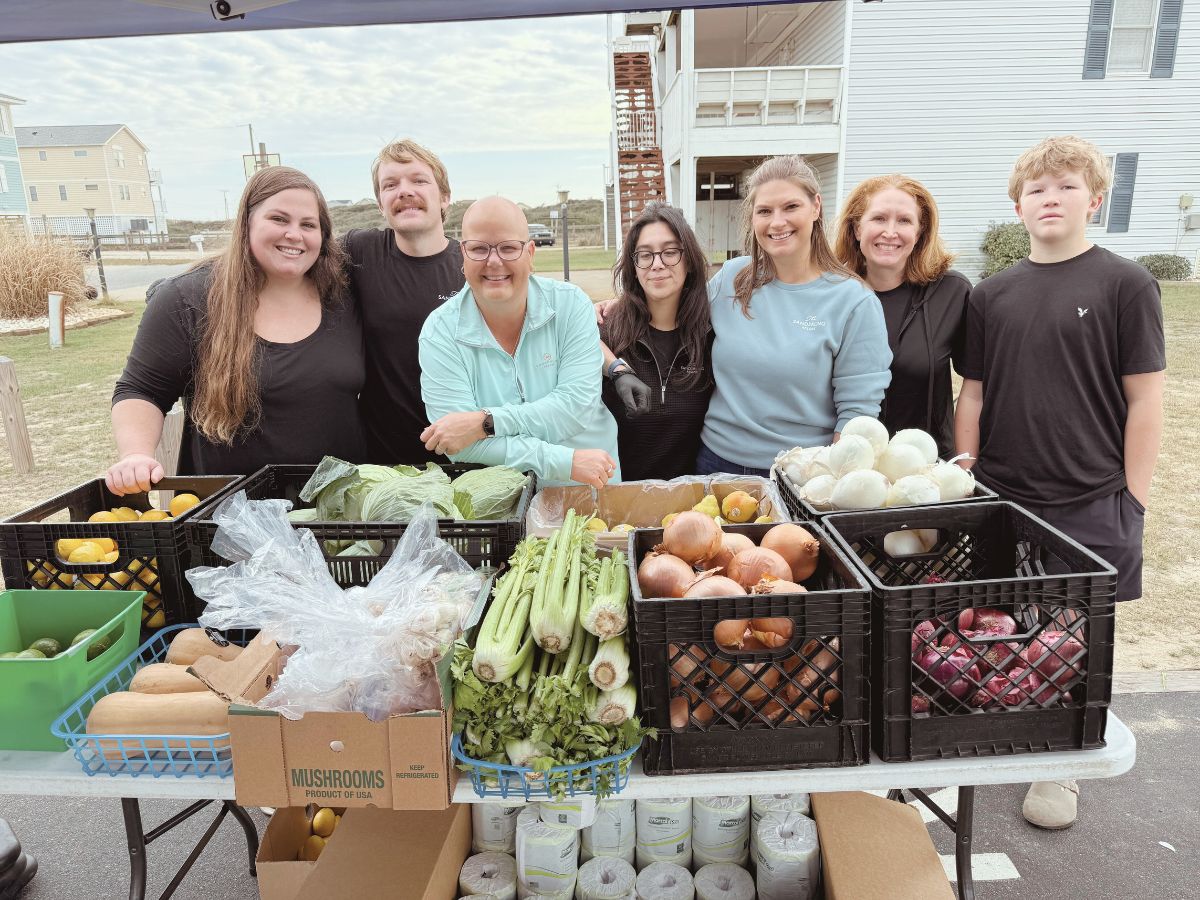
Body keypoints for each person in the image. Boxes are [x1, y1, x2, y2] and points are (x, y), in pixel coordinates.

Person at [955, 135, 1165, 830]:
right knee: (1004, 629)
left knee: (1075, 635)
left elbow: (1146, 399)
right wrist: (967, 470)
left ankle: (1060, 769)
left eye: (1068, 186)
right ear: (1018, 206)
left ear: (1094, 200)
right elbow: (974, 395)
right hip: (1004, 493)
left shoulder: (1124, 284)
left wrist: (1132, 498)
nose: (1052, 198)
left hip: (1090, 495)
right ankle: (1004, 738)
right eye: (1038, 189)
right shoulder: (992, 295)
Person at [106, 166, 365, 492]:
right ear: (247, 223)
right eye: (279, 219)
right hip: (228, 519)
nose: (294, 234)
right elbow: (142, 390)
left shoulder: (344, 295)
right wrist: (135, 455)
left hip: (336, 516)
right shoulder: (188, 299)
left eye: (308, 225)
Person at [699, 154, 892, 477]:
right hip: (716, 465)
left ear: (815, 207)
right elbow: (672, 316)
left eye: (790, 207)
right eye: (764, 211)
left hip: (801, 473)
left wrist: (829, 483)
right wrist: (612, 308)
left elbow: (857, 414)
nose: (777, 222)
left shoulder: (853, 301)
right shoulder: (731, 278)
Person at [418, 197, 620, 488]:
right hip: (505, 507)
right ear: (463, 254)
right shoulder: (440, 332)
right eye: (479, 248)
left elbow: (575, 407)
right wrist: (565, 462)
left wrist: (486, 423)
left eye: (508, 247)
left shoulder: (571, 304)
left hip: (591, 490)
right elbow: (459, 444)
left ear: (530, 253)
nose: (494, 261)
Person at [343, 139, 465, 465]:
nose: (404, 190)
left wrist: (597, 308)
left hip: (469, 462)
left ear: (444, 196)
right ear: (381, 203)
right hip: (384, 465)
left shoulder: (474, 263)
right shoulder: (359, 252)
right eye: (390, 184)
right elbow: (292, 259)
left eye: (418, 180)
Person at [835, 174, 970, 459]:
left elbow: (976, 389)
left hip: (926, 471)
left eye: (905, 221)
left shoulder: (951, 293)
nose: (890, 232)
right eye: (879, 218)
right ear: (857, 228)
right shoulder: (832, 294)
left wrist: (965, 465)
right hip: (846, 466)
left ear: (920, 232)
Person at [600, 203, 714, 481]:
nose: (658, 264)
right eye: (645, 255)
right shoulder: (607, 333)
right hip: (618, 500)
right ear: (634, 266)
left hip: (689, 502)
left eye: (670, 252)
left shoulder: (711, 334)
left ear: (689, 261)